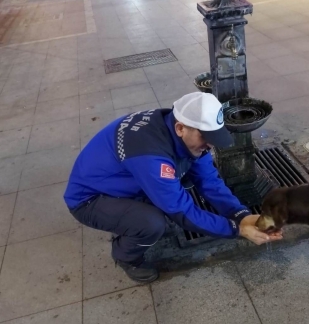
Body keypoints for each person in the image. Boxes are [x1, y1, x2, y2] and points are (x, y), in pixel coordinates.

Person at [64, 92, 283, 283]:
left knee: (185, 180)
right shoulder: (150, 155)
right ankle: (125, 256)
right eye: (206, 137)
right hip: (90, 199)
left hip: (125, 182)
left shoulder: (174, 123)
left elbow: (210, 182)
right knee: (150, 223)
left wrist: (241, 215)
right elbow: (182, 211)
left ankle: (130, 213)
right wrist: (236, 230)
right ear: (180, 129)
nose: (210, 144)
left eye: (214, 136)